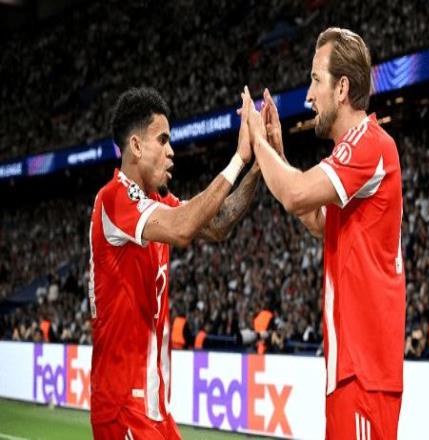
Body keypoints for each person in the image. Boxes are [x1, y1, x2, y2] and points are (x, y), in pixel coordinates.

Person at [242, 27, 406, 439]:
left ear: (342, 88)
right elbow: (318, 221)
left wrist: (257, 140)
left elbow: (296, 194)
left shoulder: (370, 143)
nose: (309, 96)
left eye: (316, 80)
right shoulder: (352, 153)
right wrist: (278, 152)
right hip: (349, 369)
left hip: (364, 372)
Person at [88, 87, 259, 439]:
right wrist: (238, 159)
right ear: (136, 146)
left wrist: (260, 165)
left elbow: (217, 223)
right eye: (163, 140)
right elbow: (183, 228)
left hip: (154, 407)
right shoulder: (114, 198)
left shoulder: (155, 203)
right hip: (123, 404)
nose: (171, 151)